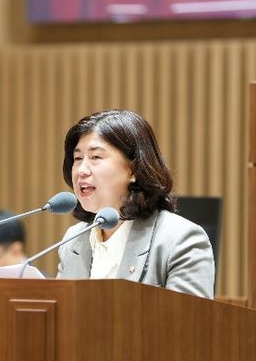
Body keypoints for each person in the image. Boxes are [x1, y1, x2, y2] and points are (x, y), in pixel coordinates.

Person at [56, 109, 215, 299]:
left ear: (133, 170)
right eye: (78, 159)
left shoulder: (179, 239)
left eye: (95, 157)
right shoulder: (73, 240)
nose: (81, 170)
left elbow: (190, 317)